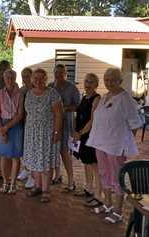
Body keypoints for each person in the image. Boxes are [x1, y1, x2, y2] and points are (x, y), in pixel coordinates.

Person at [86, 68, 141, 224]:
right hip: (101, 143)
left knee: (117, 178)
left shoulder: (126, 99)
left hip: (116, 146)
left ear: (120, 81)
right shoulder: (105, 97)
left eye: (112, 80)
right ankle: (108, 204)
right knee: (104, 174)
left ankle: (118, 211)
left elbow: (134, 124)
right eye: (106, 79)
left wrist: (125, 141)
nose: (108, 82)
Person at [23, 69, 63, 203]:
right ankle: (37, 186)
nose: (38, 81)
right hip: (32, 134)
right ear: (32, 80)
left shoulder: (52, 93)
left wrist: (57, 132)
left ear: (46, 79)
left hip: (47, 134)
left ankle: (46, 190)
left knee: (45, 162)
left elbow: (59, 114)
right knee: (35, 162)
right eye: (35, 78)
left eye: (41, 78)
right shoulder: (29, 93)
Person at [72, 73, 102, 206]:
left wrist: (81, 132)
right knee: (86, 163)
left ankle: (97, 194)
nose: (87, 84)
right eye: (86, 81)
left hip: (90, 136)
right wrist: (75, 131)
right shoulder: (84, 97)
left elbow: (93, 119)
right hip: (81, 135)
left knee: (95, 166)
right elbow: (77, 114)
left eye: (90, 82)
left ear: (96, 84)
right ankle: (89, 189)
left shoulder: (97, 98)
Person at [50, 64, 80, 191]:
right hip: (51, 123)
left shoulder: (72, 88)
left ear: (65, 74)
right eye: (56, 72)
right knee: (53, 150)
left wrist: (64, 108)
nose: (59, 75)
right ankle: (57, 175)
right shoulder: (50, 87)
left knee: (64, 152)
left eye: (61, 73)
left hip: (66, 123)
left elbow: (77, 106)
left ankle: (71, 180)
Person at [0, 69, 24, 194]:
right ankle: (5, 182)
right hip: (2, 124)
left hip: (16, 126)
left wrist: (7, 127)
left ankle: (13, 184)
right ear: (4, 79)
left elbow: (20, 114)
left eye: (12, 77)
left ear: (15, 78)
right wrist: (1, 128)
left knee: (15, 156)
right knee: (4, 156)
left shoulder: (20, 94)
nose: (10, 79)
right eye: (7, 77)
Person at [17, 67, 35, 189]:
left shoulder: (36, 90)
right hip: (22, 123)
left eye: (27, 76)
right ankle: (26, 169)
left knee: (33, 149)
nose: (25, 79)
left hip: (33, 124)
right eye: (23, 76)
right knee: (24, 148)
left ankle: (33, 176)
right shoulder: (21, 90)